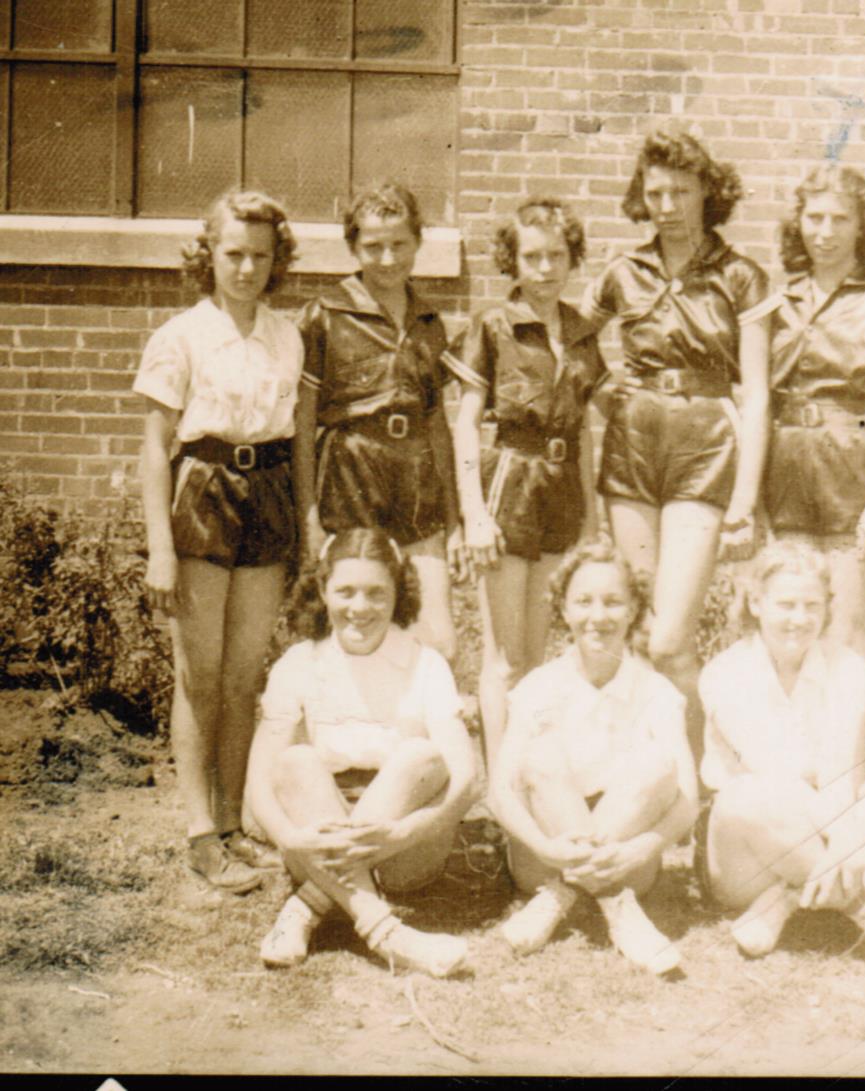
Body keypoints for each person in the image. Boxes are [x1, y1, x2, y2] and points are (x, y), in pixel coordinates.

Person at [580, 127, 770, 761]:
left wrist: (745, 499)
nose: (666, 205)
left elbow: (760, 390)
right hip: (633, 444)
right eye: (655, 192)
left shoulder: (740, 275)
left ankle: (696, 778)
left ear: (706, 194)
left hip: (706, 444)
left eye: (680, 191)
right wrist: (607, 389)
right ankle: (639, 769)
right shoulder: (622, 272)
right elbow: (568, 340)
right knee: (635, 633)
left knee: (669, 642)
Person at [137, 190, 303, 893]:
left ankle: (234, 823)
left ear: (276, 262)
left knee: (243, 676)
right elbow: (153, 449)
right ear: (208, 256)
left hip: (265, 493)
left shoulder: (286, 335)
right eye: (233, 253)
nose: (245, 268)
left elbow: (293, 440)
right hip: (202, 492)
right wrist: (160, 547)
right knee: (199, 675)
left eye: (260, 256)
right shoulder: (181, 334)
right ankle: (199, 832)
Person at [697, 540, 865, 974]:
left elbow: (839, 768)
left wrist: (844, 836)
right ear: (756, 603)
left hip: (830, 820)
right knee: (746, 794)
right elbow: (778, 776)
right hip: (748, 849)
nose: (799, 619)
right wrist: (848, 839)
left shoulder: (848, 667)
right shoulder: (724, 673)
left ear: (826, 608)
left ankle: (787, 898)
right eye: (786, 604)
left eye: (811, 605)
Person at [246, 528, 476, 975]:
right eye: (346, 591)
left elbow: (466, 779)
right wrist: (292, 839)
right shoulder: (298, 663)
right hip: (318, 833)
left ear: (397, 594)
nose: (360, 608)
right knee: (295, 761)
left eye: (376, 593)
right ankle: (385, 931)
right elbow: (259, 782)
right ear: (322, 590)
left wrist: (402, 834)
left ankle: (307, 906)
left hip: (404, 849)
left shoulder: (425, 663)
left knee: (419, 757)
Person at [445, 198, 607, 766]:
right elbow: (465, 422)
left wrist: (591, 519)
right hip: (509, 483)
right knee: (504, 657)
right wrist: (474, 514)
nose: (544, 268)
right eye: (532, 257)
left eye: (556, 256)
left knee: (538, 657)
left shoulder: (585, 332)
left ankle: (530, 776)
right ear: (512, 262)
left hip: (561, 491)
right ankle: (500, 786)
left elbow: (583, 428)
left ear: (572, 258)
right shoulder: (492, 325)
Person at [490, 539, 699, 974]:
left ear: (633, 609)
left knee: (659, 763)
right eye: (583, 601)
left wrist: (640, 849)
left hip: (629, 860)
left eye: (613, 602)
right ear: (563, 609)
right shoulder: (538, 687)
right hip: (543, 856)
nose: (598, 617)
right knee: (542, 754)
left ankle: (564, 895)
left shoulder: (657, 692)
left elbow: (688, 802)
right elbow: (499, 793)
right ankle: (616, 906)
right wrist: (546, 846)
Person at [759, 163, 865, 656]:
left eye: (840, 218)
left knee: (847, 638)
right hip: (787, 471)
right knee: (789, 633)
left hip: (853, 468)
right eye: (815, 218)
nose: (825, 231)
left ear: (862, 226)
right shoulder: (779, 302)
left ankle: (854, 737)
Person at [295, 182, 462, 661]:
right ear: (353, 247)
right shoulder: (323, 315)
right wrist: (309, 519)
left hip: (416, 486)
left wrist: (453, 521)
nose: (387, 258)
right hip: (349, 480)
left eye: (399, 244)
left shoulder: (429, 321)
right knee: (349, 636)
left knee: (438, 641)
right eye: (373, 246)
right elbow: (303, 428)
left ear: (417, 243)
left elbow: (439, 428)